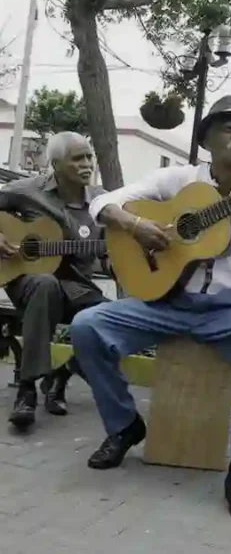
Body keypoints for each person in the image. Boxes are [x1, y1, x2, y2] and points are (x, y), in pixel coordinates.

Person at [68, 95, 231, 522]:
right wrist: (137, 225)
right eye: (230, 128)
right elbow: (103, 203)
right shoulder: (178, 181)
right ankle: (123, 425)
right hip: (166, 301)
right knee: (86, 326)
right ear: (207, 139)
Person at [0, 132, 108, 430]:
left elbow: (111, 249)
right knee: (45, 284)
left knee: (114, 318)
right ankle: (26, 391)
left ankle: (61, 375)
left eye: (89, 156)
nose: (87, 164)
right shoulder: (28, 190)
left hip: (75, 284)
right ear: (56, 164)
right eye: (77, 158)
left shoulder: (102, 201)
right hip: (26, 279)